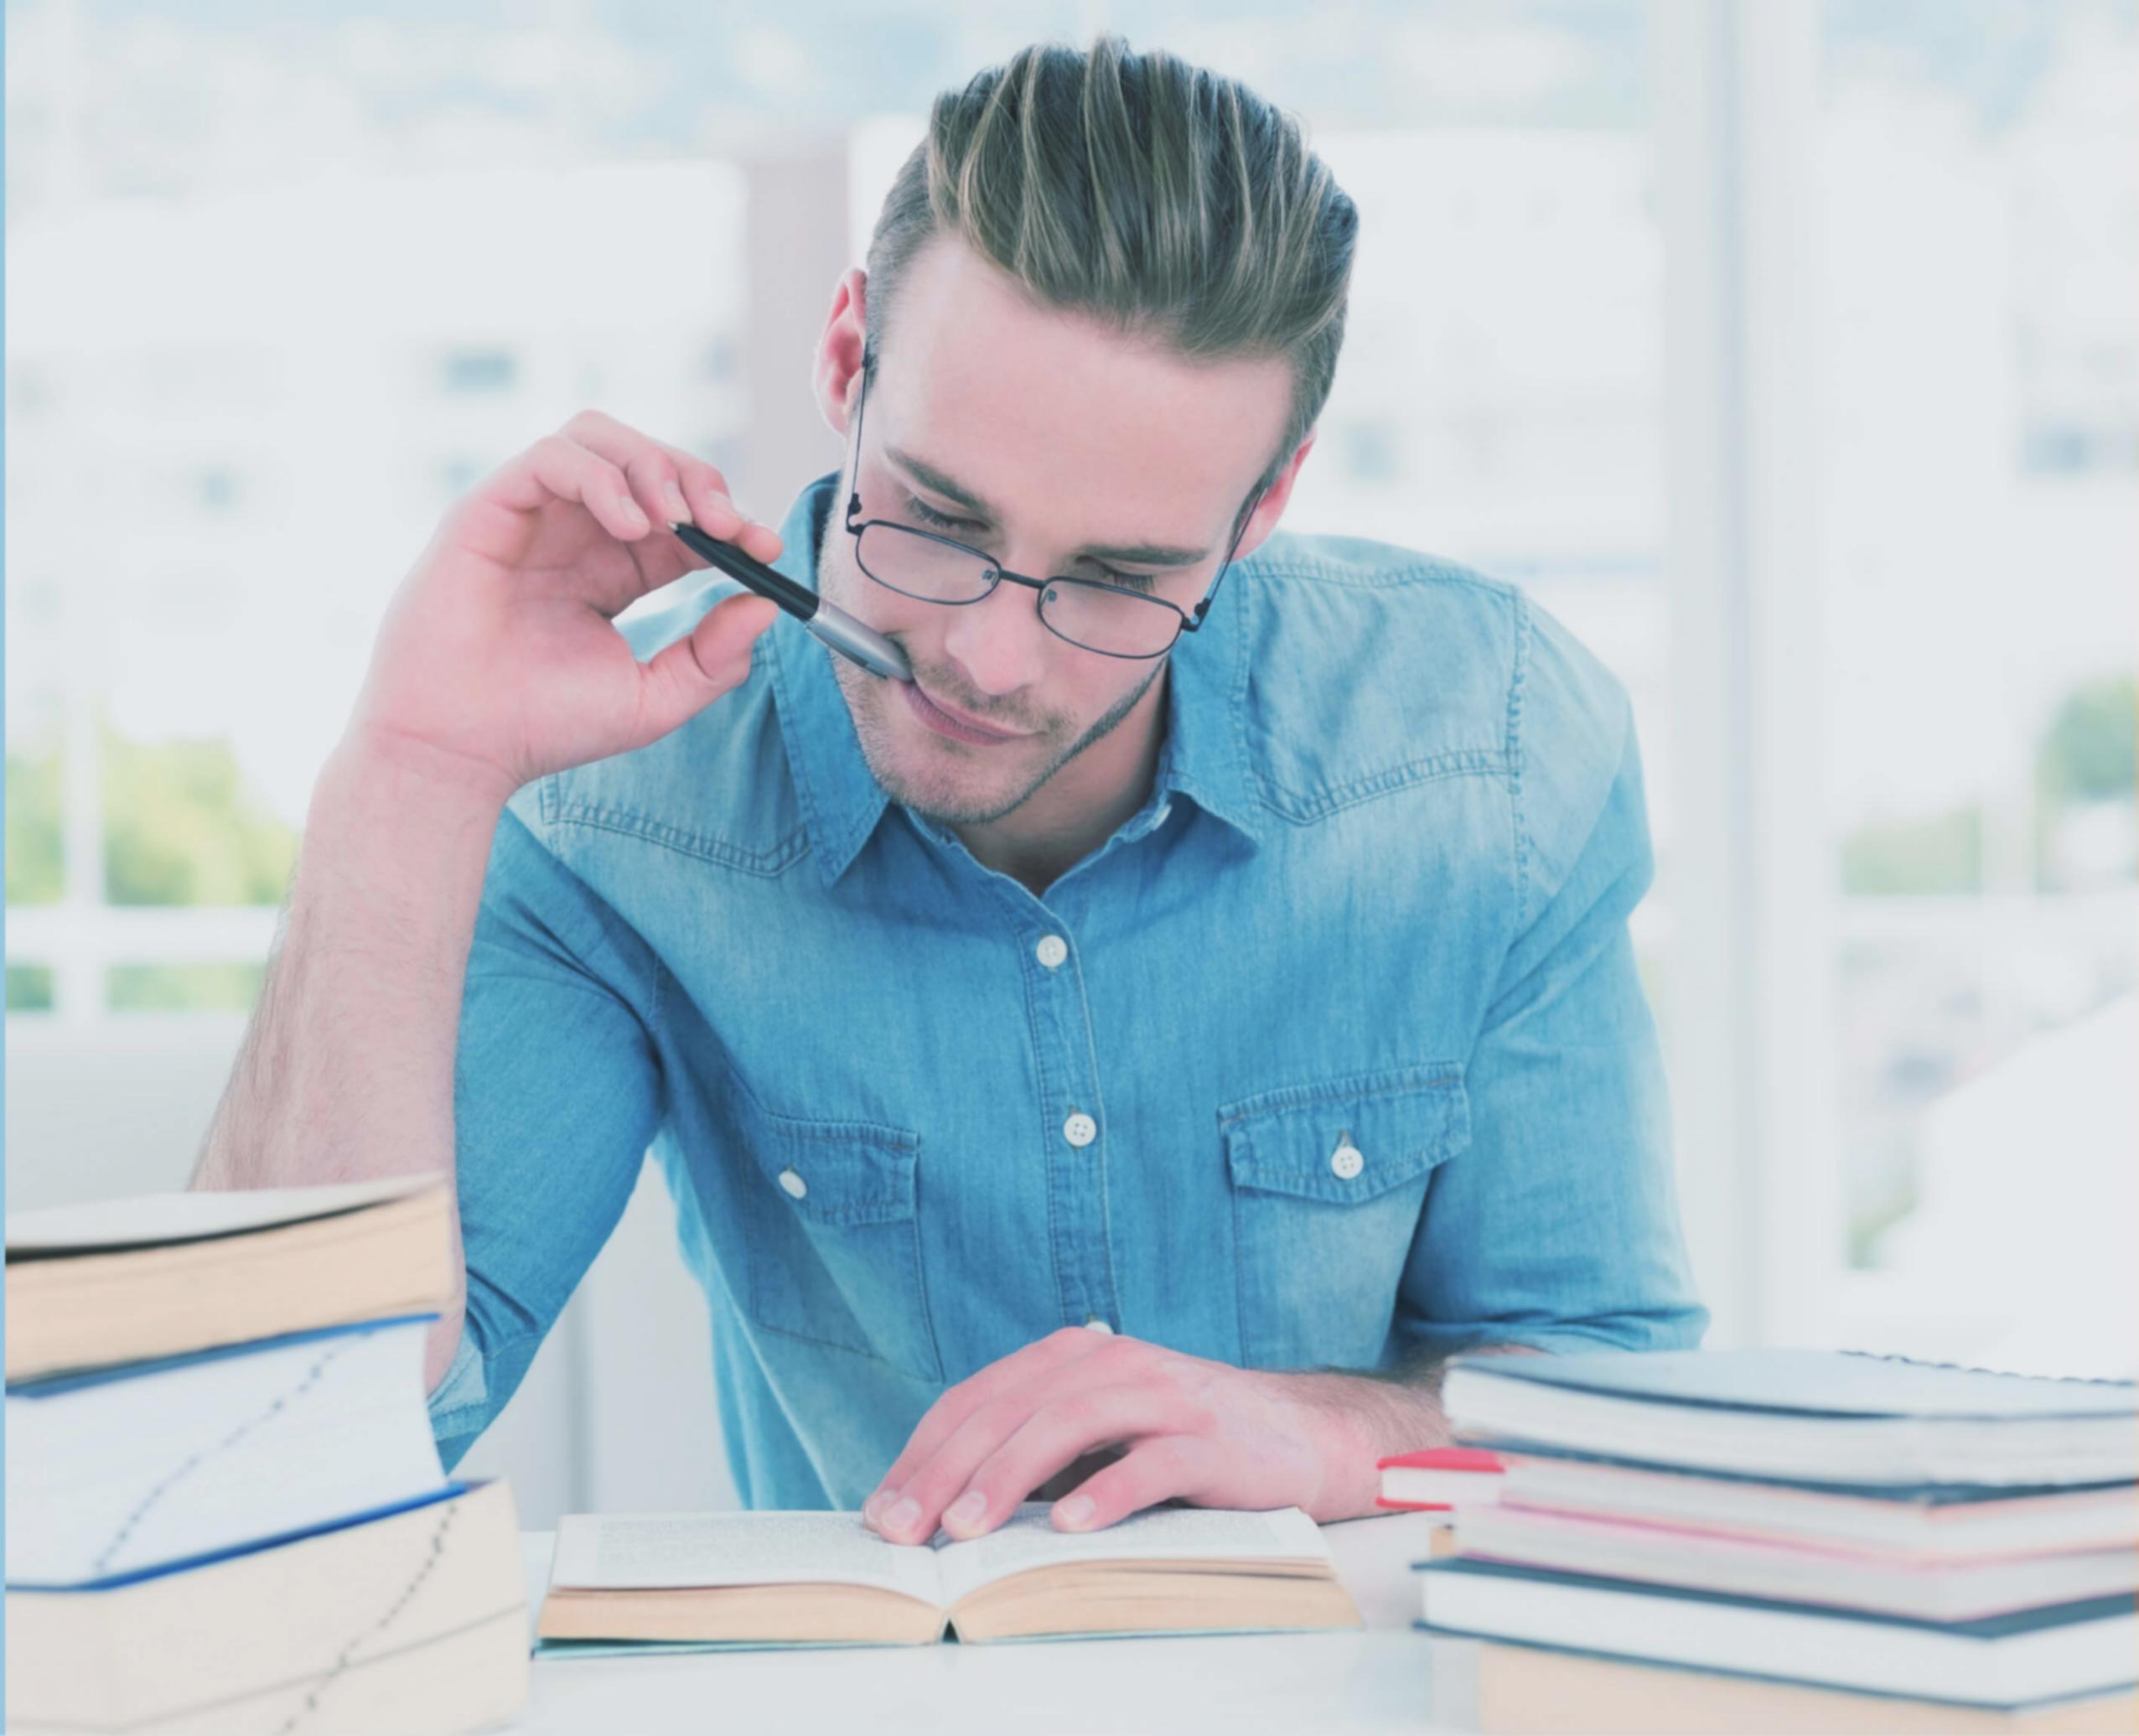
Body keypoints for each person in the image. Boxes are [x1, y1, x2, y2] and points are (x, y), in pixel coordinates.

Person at [193, 34, 1706, 1547]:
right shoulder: (614, 803)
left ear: (1266, 506)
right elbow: (276, 1459)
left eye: (1118, 579)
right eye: (933, 518)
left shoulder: (1490, 752)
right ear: (847, 358)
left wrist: (1329, 1440)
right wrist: (410, 774)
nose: (986, 659)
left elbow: (1612, 1423)